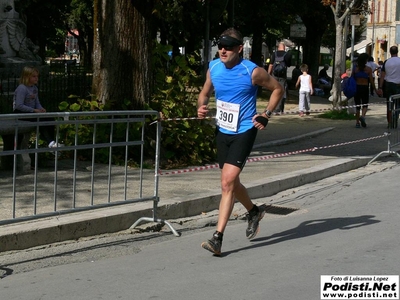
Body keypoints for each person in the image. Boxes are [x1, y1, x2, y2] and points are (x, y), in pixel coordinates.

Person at [197, 28, 284, 256]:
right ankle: (254, 211)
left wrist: (267, 114)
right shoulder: (214, 67)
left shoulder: (252, 71)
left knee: (226, 183)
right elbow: (204, 92)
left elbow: (278, 89)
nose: (222, 50)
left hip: (245, 130)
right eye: (220, 46)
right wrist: (201, 106)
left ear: (239, 49)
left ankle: (217, 238)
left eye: (227, 46)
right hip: (222, 131)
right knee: (232, 183)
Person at [13, 66, 58, 148]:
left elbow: (37, 102)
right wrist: (33, 110)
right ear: (27, 77)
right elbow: (19, 105)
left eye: (37, 76)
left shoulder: (34, 88)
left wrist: (40, 109)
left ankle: (51, 140)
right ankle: (49, 141)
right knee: (40, 119)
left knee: (50, 118)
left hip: (32, 112)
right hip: (21, 112)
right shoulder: (22, 88)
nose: (36, 78)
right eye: (34, 76)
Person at [353, 53, 381, 128]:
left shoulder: (355, 69)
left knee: (357, 105)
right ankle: (363, 116)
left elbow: (352, 79)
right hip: (365, 88)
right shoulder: (368, 69)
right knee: (365, 104)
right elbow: (371, 81)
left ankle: (357, 123)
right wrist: (375, 89)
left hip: (357, 87)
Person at [378, 45, 400, 127]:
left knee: (389, 104)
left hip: (388, 84)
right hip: (398, 84)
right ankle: (395, 117)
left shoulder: (386, 62)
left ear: (390, 52)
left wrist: (380, 87)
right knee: (398, 104)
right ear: (397, 52)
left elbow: (382, 75)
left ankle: (389, 121)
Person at [268, 42, 291, 114]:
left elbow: (271, 65)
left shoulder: (274, 54)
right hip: (282, 76)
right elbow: (289, 65)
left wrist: (268, 74)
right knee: (281, 91)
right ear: (284, 47)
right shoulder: (287, 54)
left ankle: (272, 108)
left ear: (278, 47)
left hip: (274, 75)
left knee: (274, 91)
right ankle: (279, 108)